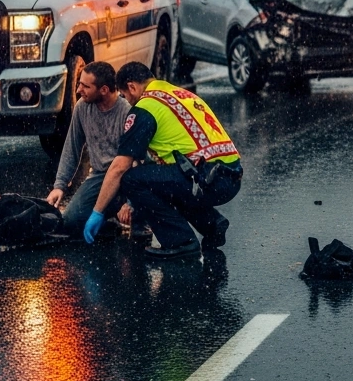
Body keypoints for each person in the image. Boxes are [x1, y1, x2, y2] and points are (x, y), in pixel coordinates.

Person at [88, 62, 242, 259]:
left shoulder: (145, 107)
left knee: (131, 180)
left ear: (132, 86)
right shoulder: (179, 94)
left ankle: (180, 242)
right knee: (163, 179)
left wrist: (98, 212)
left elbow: (120, 166)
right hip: (230, 177)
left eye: (125, 95)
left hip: (208, 180)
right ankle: (211, 224)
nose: (127, 101)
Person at [45, 61, 133, 237]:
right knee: (71, 221)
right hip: (100, 176)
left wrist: (130, 203)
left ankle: (125, 209)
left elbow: (141, 160)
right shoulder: (82, 107)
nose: (79, 90)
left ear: (104, 90)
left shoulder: (127, 112)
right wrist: (59, 186)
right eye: (80, 84)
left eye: (85, 86)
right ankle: (108, 220)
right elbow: (72, 147)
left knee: (137, 218)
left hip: (127, 175)